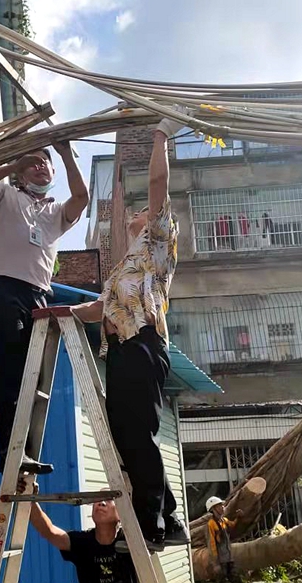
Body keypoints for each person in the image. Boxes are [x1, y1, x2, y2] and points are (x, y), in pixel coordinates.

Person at [70, 111, 190, 552]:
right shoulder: (125, 265)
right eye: (137, 211)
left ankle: (150, 524)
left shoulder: (157, 246)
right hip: (120, 350)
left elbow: (158, 187)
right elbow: (100, 309)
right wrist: (62, 311)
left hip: (142, 346)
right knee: (126, 436)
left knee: (136, 434)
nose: (139, 212)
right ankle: (171, 516)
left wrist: (161, 135)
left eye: (143, 211)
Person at [0, 143, 89, 475]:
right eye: (32, 163)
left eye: (45, 164)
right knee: (10, 372)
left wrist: (63, 153)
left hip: (37, 295)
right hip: (3, 288)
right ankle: (9, 453)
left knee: (33, 378)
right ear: (19, 173)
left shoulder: (55, 212)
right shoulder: (7, 195)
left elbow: (81, 199)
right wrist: (11, 162)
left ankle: (25, 453)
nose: (40, 167)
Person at [21, 478, 136, 583]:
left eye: (109, 499)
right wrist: (29, 498)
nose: (101, 503)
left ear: (122, 513)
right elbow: (49, 531)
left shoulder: (133, 541)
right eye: (98, 499)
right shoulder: (82, 543)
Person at [205, 496, 241, 582]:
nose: (223, 507)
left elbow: (232, 525)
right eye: (219, 506)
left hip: (229, 558)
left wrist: (238, 517)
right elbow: (211, 544)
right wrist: (215, 563)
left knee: (236, 579)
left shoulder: (224, 520)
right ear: (213, 509)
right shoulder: (211, 524)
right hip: (221, 561)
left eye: (222, 505)